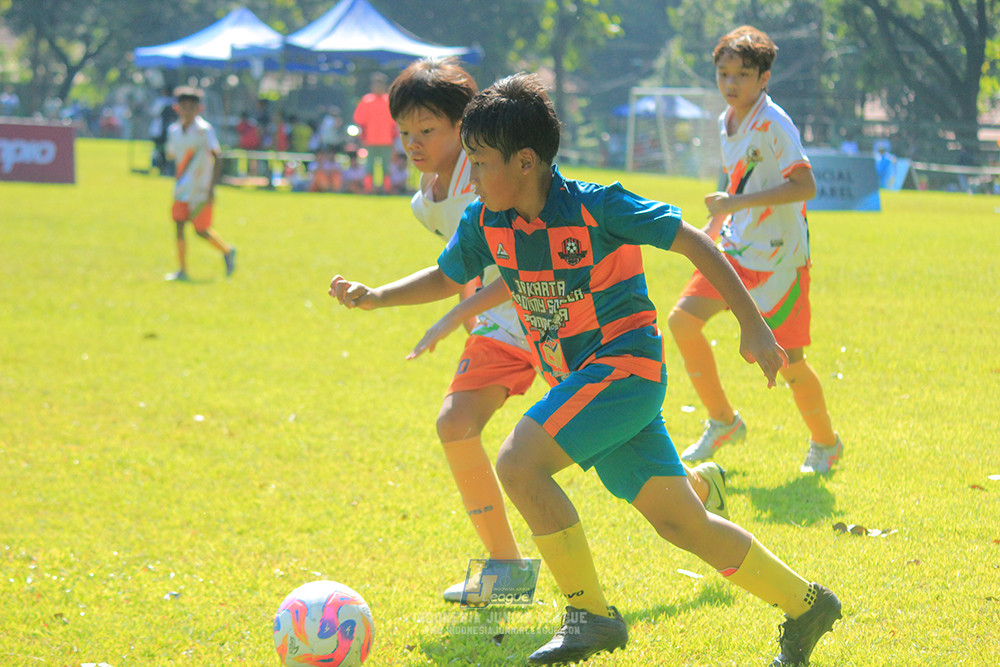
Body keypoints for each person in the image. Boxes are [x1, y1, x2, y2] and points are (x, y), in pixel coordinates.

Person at [329, 73, 841, 666]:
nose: (469, 172)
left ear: (525, 161)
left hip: (624, 368)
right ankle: (808, 605)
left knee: (519, 462)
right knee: (684, 525)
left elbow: (698, 242)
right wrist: (376, 296)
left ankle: (590, 616)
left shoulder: (599, 206)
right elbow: (446, 276)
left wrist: (754, 325)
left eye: (479, 159)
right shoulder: (486, 220)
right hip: (586, 384)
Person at [667, 26, 844, 475]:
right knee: (682, 321)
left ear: (764, 78)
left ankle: (826, 444)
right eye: (723, 73)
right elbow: (739, 181)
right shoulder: (726, 121)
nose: (730, 83)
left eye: (742, 75)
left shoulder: (775, 123)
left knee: (790, 363)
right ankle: (723, 421)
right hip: (735, 248)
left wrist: (735, 204)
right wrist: (715, 224)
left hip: (780, 259)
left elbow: (806, 185)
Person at [164, 86, 235, 281]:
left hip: (201, 188)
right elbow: (172, 155)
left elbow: (217, 156)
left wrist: (212, 187)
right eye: (183, 106)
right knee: (178, 224)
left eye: (191, 107)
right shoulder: (174, 131)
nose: (187, 110)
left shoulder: (204, 130)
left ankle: (227, 250)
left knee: (201, 230)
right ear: (177, 108)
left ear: (198, 109)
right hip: (181, 188)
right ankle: (182, 269)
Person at [353, 72, 398, 193]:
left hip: (386, 140)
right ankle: (369, 188)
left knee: (386, 167)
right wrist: (362, 135)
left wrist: (394, 136)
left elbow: (395, 121)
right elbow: (359, 119)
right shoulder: (367, 100)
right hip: (371, 140)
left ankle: (386, 189)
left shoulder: (388, 101)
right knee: (369, 166)